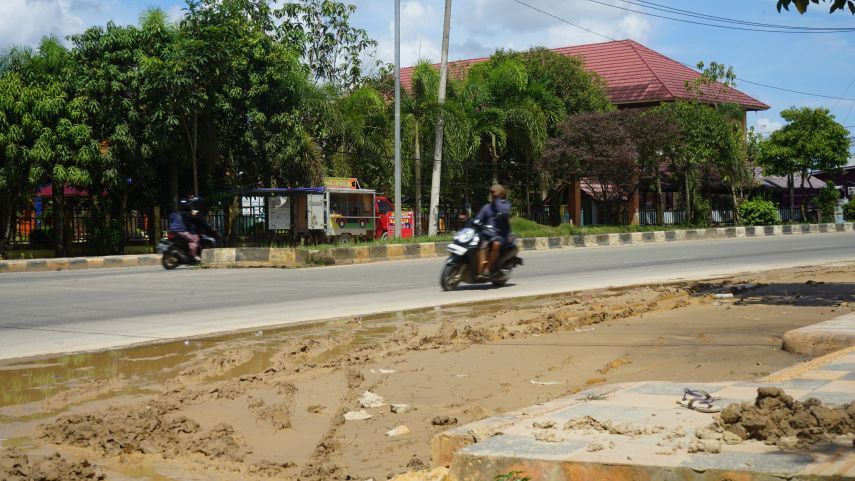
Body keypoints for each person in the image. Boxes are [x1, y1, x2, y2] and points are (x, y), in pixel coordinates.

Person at [475, 184, 511, 277]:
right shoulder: (487, 207)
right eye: (492, 194)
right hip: (488, 233)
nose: (493, 196)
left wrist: (498, 200)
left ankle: (487, 268)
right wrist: (474, 222)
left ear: (502, 195)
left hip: (501, 234)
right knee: (480, 245)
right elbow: (479, 218)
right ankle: (479, 269)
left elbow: (503, 212)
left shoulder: (505, 205)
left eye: (495, 194)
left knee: (496, 244)